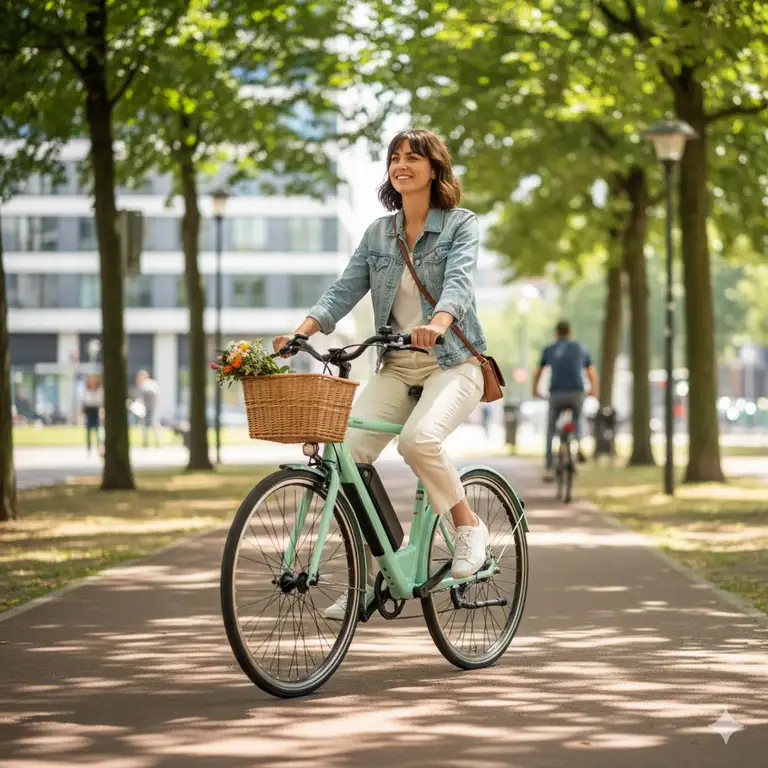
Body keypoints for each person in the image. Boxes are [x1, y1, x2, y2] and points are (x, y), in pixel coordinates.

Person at [273, 128, 490, 618]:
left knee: (418, 442)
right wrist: (302, 331)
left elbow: (458, 283)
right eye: (395, 157)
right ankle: (382, 570)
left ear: (435, 169)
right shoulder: (378, 233)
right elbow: (342, 290)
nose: (402, 164)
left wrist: (437, 323)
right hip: (396, 365)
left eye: (414, 157)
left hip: (453, 362)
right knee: (346, 455)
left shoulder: (460, 224)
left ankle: (467, 526)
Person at [532, 320, 598, 481]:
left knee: (550, 429)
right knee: (578, 420)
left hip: (556, 393)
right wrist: (593, 390)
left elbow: (539, 372)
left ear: (557, 333)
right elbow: (591, 372)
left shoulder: (550, 349)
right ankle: (579, 448)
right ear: (570, 332)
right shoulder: (580, 347)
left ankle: (548, 466)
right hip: (577, 392)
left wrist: (534, 390)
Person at [136, 370, 160, 447]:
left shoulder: (147, 385)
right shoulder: (148, 385)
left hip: (150, 408)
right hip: (147, 408)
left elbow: (142, 397)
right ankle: (147, 442)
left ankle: (154, 442)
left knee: (152, 424)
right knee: (147, 425)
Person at [81, 374, 104, 455]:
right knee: (88, 431)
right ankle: (89, 447)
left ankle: (99, 447)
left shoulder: (99, 390)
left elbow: (100, 401)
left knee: (98, 431)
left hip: (96, 411)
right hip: (89, 411)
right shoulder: (86, 390)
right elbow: (84, 401)